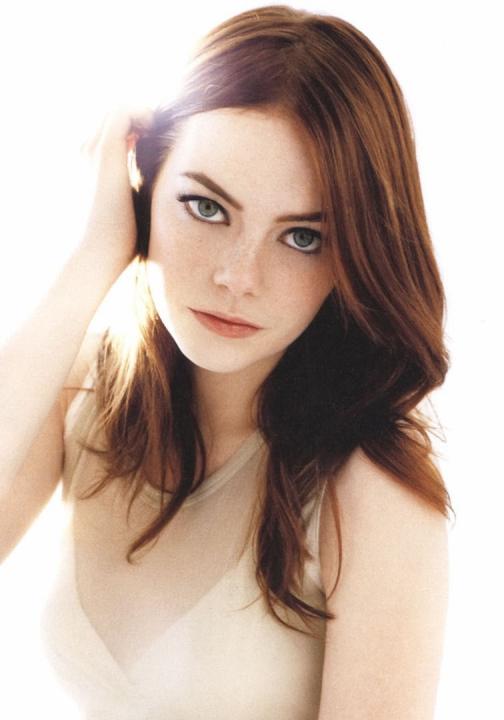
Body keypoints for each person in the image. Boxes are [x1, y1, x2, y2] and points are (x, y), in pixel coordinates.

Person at [0, 5, 451, 718]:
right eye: (206, 207)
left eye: (302, 237)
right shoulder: (85, 393)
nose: (238, 277)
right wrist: (91, 258)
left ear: (355, 255)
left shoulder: (367, 491)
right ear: (147, 189)